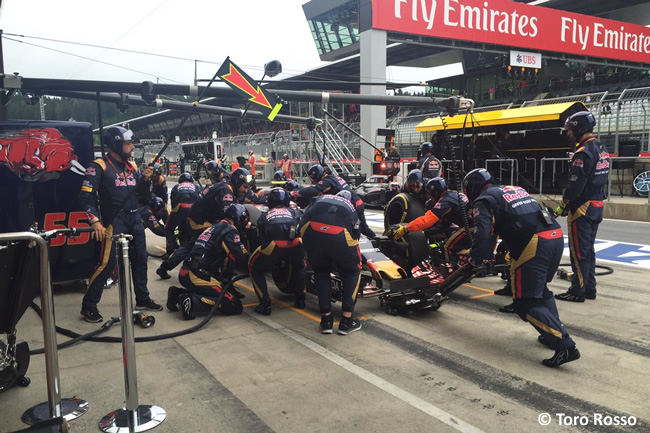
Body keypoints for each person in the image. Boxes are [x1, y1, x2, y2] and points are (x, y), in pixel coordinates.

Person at [463, 168, 580, 368]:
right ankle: (551, 334)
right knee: (540, 290)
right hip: (554, 236)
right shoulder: (513, 189)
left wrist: (476, 258)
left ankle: (564, 345)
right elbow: (522, 217)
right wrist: (505, 243)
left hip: (533, 243)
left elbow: (483, 234)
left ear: (472, 189)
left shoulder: (483, 201)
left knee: (524, 302)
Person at [79, 126, 162, 323]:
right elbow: (85, 196)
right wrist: (95, 221)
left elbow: (143, 196)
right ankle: (89, 305)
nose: (132, 147)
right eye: (128, 143)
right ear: (116, 144)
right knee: (107, 265)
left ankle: (142, 299)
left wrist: (146, 179)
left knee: (141, 260)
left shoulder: (132, 167)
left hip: (135, 218)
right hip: (113, 222)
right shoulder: (99, 165)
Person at [156, 167, 252, 279]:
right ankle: (223, 279)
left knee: (191, 245)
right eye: (245, 187)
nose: (246, 191)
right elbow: (229, 216)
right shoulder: (226, 191)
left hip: (198, 220)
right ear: (237, 181)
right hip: (199, 222)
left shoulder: (225, 187)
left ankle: (165, 267)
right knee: (224, 240)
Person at [554, 111, 610, 303]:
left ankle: (577, 290)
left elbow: (575, 186)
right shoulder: (602, 148)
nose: (568, 133)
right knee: (589, 250)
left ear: (579, 128)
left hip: (582, 208)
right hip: (597, 204)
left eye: (570, 129)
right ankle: (589, 288)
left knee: (578, 252)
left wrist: (563, 205)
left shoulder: (583, 152)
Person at [166, 204, 249, 320]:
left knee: (216, 290)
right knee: (234, 304)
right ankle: (191, 302)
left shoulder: (215, 227)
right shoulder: (230, 230)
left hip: (187, 272)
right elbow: (240, 256)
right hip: (199, 276)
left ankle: (177, 293)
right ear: (240, 217)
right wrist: (257, 260)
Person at [300, 193, 362, 335]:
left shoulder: (320, 198)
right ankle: (347, 321)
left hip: (310, 230)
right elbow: (356, 234)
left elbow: (303, 220)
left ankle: (326, 320)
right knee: (353, 271)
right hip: (339, 234)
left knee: (321, 271)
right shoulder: (350, 206)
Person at [248, 188, 306, 315]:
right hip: (296, 243)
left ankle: (265, 304)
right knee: (300, 265)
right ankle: (301, 299)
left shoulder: (264, 215)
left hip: (274, 245)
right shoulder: (295, 212)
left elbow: (261, 237)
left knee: (253, 266)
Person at [391, 177, 472, 262]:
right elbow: (443, 226)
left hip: (470, 228)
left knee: (446, 247)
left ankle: (449, 269)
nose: (430, 198)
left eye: (430, 194)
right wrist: (425, 233)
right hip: (474, 227)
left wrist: (406, 228)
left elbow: (427, 220)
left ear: (435, 192)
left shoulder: (445, 201)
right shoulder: (453, 196)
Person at [293, 164, 376, 238]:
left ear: (315, 175)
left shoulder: (327, 182)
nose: (312, 181)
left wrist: (296, 193)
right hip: (358, 203)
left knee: (346, 229)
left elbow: (314, 190)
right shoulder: (334, 178)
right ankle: (375, 239)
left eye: (311, 178)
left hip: (351, 206)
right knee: (363, 227)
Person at [164, 172, 200, 257]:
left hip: (180, 208)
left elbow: (173, 204)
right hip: (194, 209)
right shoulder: (196, 187)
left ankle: (170, 251)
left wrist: (176, 216)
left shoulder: (176, 187)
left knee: (168, 228)